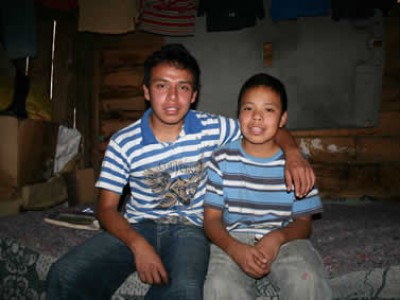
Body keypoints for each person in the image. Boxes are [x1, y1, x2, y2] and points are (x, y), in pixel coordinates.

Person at [46, 44, 316, 300]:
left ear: (194, 95)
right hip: (138, 226)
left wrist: (293, 153)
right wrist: (138, 245)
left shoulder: (214, 128)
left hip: (191, 230)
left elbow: (265, 127)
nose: (172, 98)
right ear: (147, 91)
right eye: (162, 85)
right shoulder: (123, 142)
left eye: (183, 87)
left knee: (185, 291)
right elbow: (106, 209)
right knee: (65, 274)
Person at [203, 73, 332, 300]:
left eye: (269, 110)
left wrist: (277, 237)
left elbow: (304, 225)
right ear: (238, 114)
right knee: (218, 285)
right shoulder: (221, 158)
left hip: (285, 238)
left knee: (307, 279)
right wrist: (234, 249)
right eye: (248, 108)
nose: (257, 118)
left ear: (283, 119)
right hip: (233, 238)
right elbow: (211, 220)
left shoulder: (296, 165)